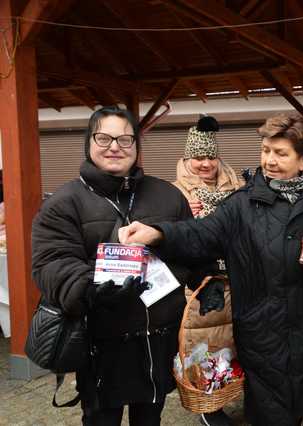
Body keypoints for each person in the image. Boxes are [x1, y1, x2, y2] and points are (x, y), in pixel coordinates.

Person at [119, 113, 303, 426]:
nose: (270, 161)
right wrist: (159, 233)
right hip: (264, 332)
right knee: (272, 414)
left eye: (281, 153)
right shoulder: (243, 204)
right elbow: (202, 234)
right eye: (266, 151)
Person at [31, 106, 193, 426]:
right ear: (88, 143)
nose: (115, 146)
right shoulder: (64, 202)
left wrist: (200, 277)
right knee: (101, 418)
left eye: (124, 139)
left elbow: (192, 245)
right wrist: (91, 287)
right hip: (100, 343)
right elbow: (51, 263)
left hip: (157, 340)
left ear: (136, 145)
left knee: (150, 417)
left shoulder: (168, 195)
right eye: (104, 137)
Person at [173, 115, 243, 426]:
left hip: (238, 277)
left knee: (240, 340)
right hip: (201, 282)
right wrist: (186, 221)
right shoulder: (175, 193)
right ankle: (209, 404)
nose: (205, 164)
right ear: (187, 159)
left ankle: (241, 390)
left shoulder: (238, 186)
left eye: (211, 156)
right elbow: (168, 240)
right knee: (207, 344)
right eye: (198, 157)